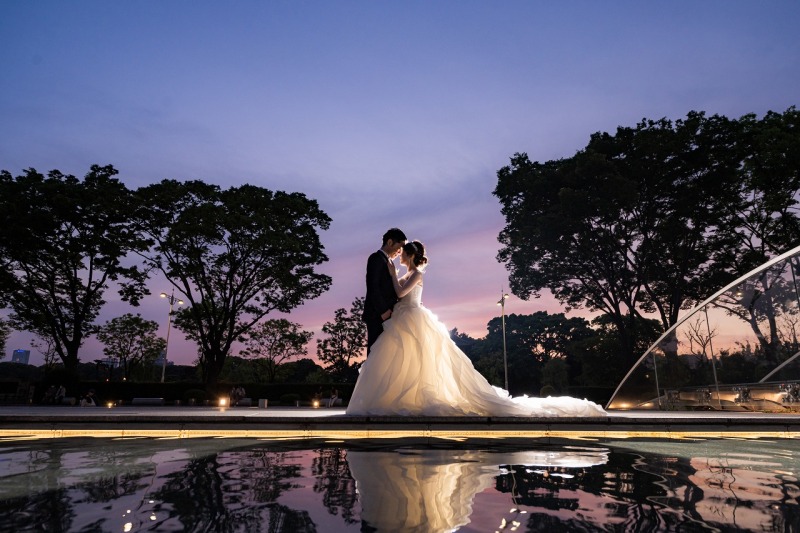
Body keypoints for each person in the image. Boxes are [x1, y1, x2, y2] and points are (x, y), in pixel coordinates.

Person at [347, 240, 606, 417]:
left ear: (411, 255)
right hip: (404, 318)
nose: (400, 255)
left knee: (418, 361)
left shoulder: (417, 274)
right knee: (401, 361)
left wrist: (392, 273)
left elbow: (400, 291)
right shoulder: (409, 271)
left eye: (403, 253)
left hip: (413, 317)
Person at [363, 227, 407, 354]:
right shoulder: (376, 258)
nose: (400, 251)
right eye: (400, 246)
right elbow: (373, 286)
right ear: (389, 242)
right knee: (375, 353)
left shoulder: (388, 262)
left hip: (387, 315)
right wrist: (384, 311)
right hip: (377, 315)